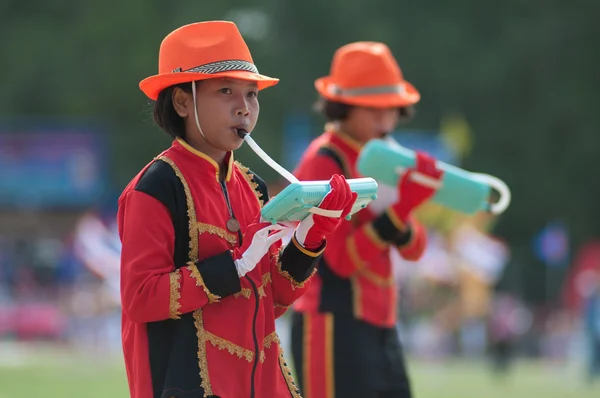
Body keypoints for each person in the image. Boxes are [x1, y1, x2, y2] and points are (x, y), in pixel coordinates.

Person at [118, 21, 357, 398]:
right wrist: (235, 265)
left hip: (260, 383)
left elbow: (271, 299)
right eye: (226, 91)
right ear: (182, 101)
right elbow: (140, 298)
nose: (244, 108)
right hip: (185, 383)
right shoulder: (156, 186)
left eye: (252, 94)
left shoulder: (253, 186)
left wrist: (309, 238)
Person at [290, 42, 443, 398]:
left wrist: (405, 209)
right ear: (343, 106)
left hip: (382, 325)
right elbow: (339, 262)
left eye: (392, 111)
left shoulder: (383, 160)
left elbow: (416, 249)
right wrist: (400, 210)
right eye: (375, 111)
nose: (386, 121)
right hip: (331, 324)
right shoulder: (323, 161)